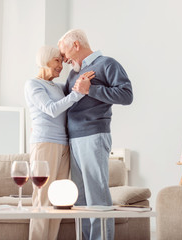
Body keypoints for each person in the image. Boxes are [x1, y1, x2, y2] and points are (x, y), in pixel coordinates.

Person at [58, 29, 133, 240]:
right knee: (80, 197)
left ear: (76, 45)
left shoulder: (107, 64)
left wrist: (91, 90)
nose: (63, 59)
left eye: (64, 53)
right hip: (73, 138)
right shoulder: (73, 73)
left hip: (93, 135)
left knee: (96, 196)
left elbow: (127, 95)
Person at [24, 45, 95, 240]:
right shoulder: (33, 84)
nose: (60, 66)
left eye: (62, 62)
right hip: (45, 143)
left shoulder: (58, 86)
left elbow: (69, 102)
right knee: (42, 198)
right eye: (57, 61)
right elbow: (52, 109)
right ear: (45, 60)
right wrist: (77, 93)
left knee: (58, 199)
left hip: (64, 145)